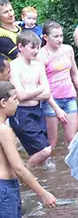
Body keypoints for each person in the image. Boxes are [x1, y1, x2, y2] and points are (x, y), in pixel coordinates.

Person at [0, 81, 57, 218]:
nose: (18, 103)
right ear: (3, 103)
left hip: (4, 188)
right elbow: (19, 168)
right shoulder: (3, 130)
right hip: (5, 189)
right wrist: (43, 193)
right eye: (15, 99)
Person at [38, 21, 78, 149]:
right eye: (56, 36)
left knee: (72, 139)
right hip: (50, 100)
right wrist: (56, 108)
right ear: (45, 37)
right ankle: (48, 168)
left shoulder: (68, 50)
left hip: (69, 97)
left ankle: (71, 168)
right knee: (52, 142)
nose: (59, 39)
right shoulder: (41, 55)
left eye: (61, 36)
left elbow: (75, 73)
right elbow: (41, 83)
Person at [9, 31, 53, 167]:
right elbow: (20, 96)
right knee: (45, 150)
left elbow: (47, 94)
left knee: (42, 153)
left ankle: (36, 178)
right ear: (20, 47)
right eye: (32, 47)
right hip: (21, 113)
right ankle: (26, 173)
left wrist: (29, 92)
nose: (36, 51)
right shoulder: (14, 66)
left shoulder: (38, 66)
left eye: (38, 47)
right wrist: (39, 89)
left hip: (37, 110)